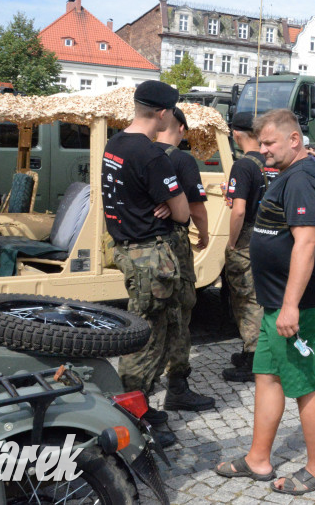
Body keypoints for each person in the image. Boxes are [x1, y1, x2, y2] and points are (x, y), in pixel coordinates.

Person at [214, 109, 315, 495]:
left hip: (298, 305)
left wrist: (290, 306)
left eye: (269, 143)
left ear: (294, 140)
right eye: (261, 143)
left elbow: (306, 242)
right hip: (273, 302)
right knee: (266, 377)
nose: (262, 150)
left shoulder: (301, 178)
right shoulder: (286, 174)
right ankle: (257, 459)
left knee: (304, 385)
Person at [101, 80, 190, 449]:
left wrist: (162, 203)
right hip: (150, 255)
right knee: (149, 336)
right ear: (165, 113)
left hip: (127, 248)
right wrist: (170, 205)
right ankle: (130, 411)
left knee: (151, 328)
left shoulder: (116, 143)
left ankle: (137, 404)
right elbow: (182, 213)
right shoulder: (151, 155)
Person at [155, 107, 216, 412]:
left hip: (140, 248)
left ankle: (138, 390)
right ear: (180, 128)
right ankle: (177, 386)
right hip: (173, 246)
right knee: (179, 315)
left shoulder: (136, 153)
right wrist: (203, 235)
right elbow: (198, 208)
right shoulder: (181, 159)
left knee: (150, 316)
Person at [221, 111, 268, 382]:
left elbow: (238, 211)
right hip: (269, 235)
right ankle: (255, 352)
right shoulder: (271, 162)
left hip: (248, 235)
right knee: (261, 294)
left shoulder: (243, 165)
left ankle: (253, 359)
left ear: (236, 133)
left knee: (246, 298)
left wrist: (231, 242)